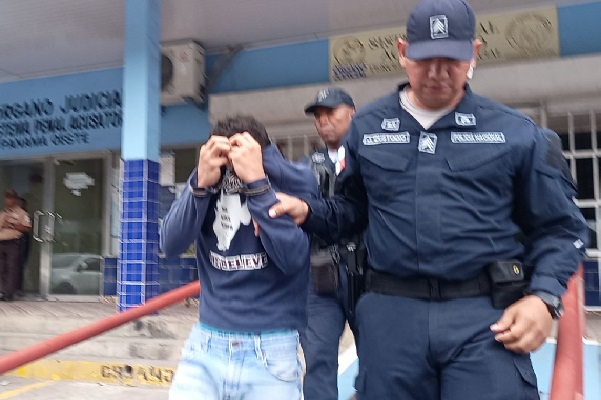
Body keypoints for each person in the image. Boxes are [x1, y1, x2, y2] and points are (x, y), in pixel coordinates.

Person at [268, 0, 588, 398]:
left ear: (474, 53)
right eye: (424, 58)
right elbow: (353, 211)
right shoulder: (366, 129)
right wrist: (309, 211)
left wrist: (544, 298)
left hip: (486, 319)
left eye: (451, 58)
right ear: (403, 53)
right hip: (392, 317)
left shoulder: (515, 133)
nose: (437, 71)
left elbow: (562, 229)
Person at [160, 115, 318, 400]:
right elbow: (170, 244)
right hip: (206, 343)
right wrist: (199, 186)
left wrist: (258, 185)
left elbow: (293, 259)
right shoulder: (207, 178)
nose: (231, 173)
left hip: (270, 349)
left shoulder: (294, 179)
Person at [300, 87, 358, 400]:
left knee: (381, 358)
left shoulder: (371, 158)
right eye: (318, 116)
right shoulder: (305, 167)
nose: (324, 121)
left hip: (367, 275)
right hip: (320, 276)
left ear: (352, 112)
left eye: (331, 113)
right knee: (319, 360)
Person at [0, 189, 32, 302]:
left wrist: (13, 225)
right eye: (7, 197)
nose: (8, 200)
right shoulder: (3, 213)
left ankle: (10, 293)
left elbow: (27, 228)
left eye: (11, 197)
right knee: (2, 268)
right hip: (1, 242)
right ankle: (3, 292)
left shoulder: (22, 213)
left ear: (15, 199)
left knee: (12, 268)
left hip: (13, 242)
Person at [17, 197, 32, 295]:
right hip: (12, 241)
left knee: (21, 265)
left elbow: (26, 229)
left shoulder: (26, 216)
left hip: (23, 240)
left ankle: (19, 288)